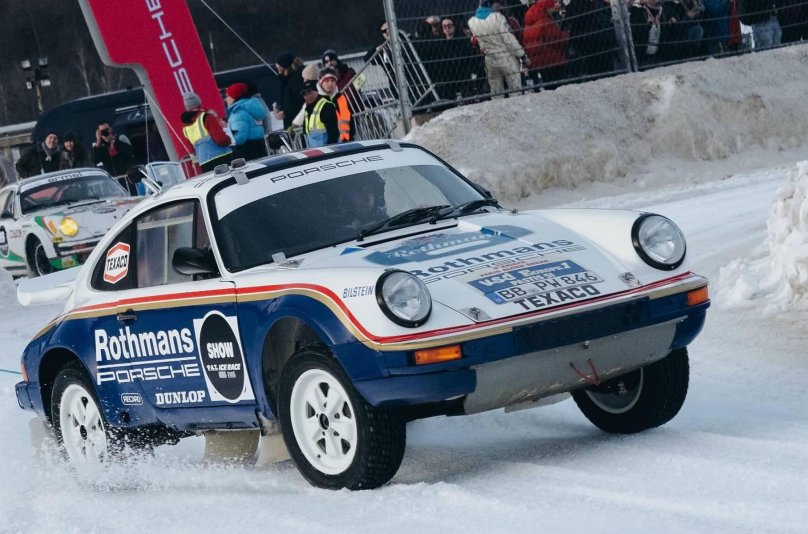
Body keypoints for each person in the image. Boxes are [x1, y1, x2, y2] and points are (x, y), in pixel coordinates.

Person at [468, 0, 529, 97]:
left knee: (496, 94)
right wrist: (522, 55)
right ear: (490, 4)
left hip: (490, 59)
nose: (500, 6)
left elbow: (474, 40)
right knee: (516, 91)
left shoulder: (472, 21)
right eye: (498, 3)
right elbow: (509, 39)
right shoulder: (498, 17)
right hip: (507, 57)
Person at [180, 91, 233, 173]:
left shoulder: (185, 127)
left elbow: (192, 150)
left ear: (187, 107)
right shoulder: (207, 117)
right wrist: (229, 139)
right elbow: (221, 139)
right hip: (222, 157)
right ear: (199, 103)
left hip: (204, 162)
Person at [524, 0, 569, 89]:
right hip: (552, 59)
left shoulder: (530, 21)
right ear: (548, 6)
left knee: (549, 86)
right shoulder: (545, 22)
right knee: (559, 86)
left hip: (539, 61)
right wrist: (567, 34)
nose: (556, 6)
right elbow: (557, 39)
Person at [225, 83, 268, 161]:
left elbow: (240, 138)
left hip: (246, 152)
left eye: (228, 96)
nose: (226, 99)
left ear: (234, 97)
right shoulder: (252, 108)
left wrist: (227, 140)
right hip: (259, 147)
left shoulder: (238, 113)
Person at [319, 67, 354, 142]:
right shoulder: (318, 101)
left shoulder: (341, 98)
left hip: (345, 141)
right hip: (325, 143)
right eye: (327, 81)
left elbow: (348, 119)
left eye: (332, 81)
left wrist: (349, 137)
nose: (330, 84)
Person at [300, 80, 338, 148]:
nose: (307, 96)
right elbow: (306, 132)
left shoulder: (326, 106)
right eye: (304, 94)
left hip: (327, 150)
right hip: (314, 150)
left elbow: (333, 133)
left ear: (317, 91)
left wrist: (330, 150)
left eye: (309, 92)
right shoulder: (307, 108)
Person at [273, 51, 305, 130]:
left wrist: (285, 113)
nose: (276, 66)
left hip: (299, 123)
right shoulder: (286, 79)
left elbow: (300, 99)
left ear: (284, 64)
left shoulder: (296, 78)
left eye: (278, 63)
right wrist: (281, 108)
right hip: (291, 122)